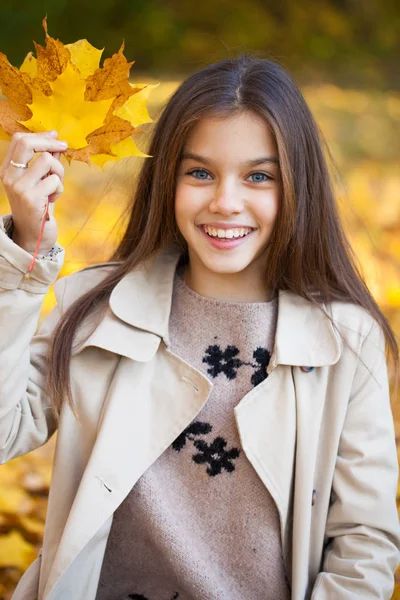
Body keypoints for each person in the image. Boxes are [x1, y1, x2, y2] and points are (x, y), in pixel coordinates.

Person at [0, 55, 399, 600]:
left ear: (298, 186)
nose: (225, 202)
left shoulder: (346, 342)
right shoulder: (96, 309)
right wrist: (23, 257)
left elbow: (364, 542)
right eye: (200, 173)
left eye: (259, 176)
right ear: (168, 179)